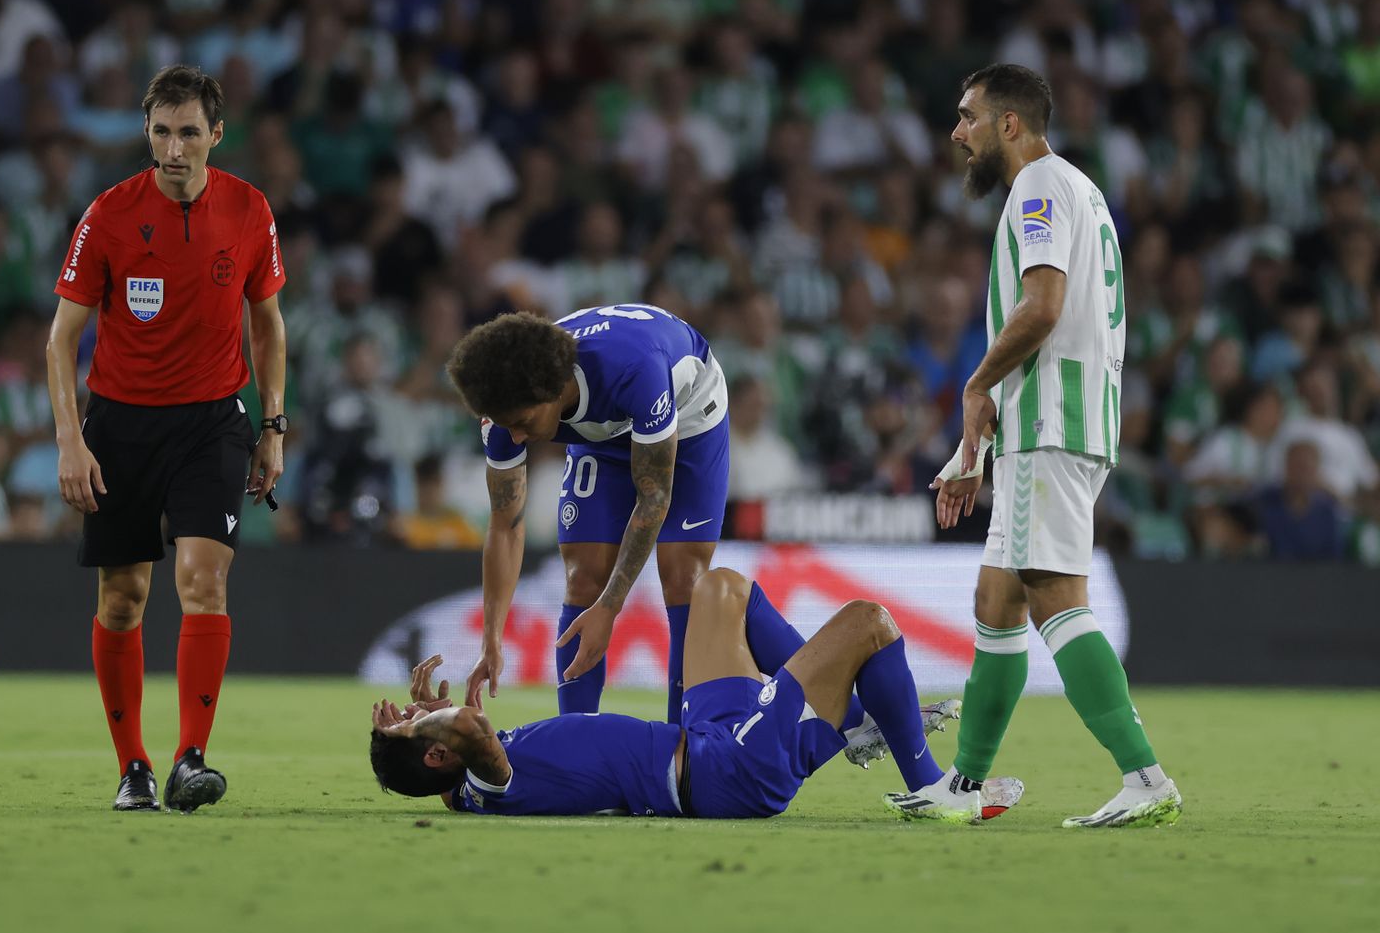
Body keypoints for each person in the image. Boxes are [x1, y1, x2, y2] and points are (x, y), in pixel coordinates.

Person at [905, 64, 1182, 828]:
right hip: (1059, 420)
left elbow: (1043, 306)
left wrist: (976, 385)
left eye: (968, 117)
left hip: (1051, 425)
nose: (957, 133)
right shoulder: (1079, 190)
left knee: (1055, 592)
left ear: (1011, 125)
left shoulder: (1037, 188)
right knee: (997, 598)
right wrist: (982, 439)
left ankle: (1145, 776)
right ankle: (966, 786)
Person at [46, 65, 288, 813]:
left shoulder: (250, 211)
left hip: (213, 420)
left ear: (217, 134)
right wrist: (69, 441)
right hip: (119, 425)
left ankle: (191, 759)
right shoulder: (109, 215)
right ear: (146, 134)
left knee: (203, 583)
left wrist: (273, 423)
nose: (174, 148)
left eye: (188, 132)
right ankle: (134, 768)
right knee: (123, 598)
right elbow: (60, 343)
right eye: (161, 132)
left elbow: (268, 324)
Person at [369, 568, 1019, 821]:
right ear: (435, 755)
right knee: (869, 624)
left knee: (721, 589)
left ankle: (848, 721)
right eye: (417, 722)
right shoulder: (484, 783)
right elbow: (475, 735)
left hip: (703, 738)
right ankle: (933, 789)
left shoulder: (477, 783)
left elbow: (470, 732)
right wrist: (432, 724)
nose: (422, 709)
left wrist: (426, 723)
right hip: (724, 772)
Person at [448, 304, 752, 724]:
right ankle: (572, 743)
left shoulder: (634, 370)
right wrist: (491, 639)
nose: (515, 436)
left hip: (688, 413)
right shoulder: (505, 410)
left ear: (553, 392)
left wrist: (611, 607)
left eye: (521, 422)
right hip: (602, 430)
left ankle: (683, 748)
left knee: (684, 578)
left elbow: (653, 498)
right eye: (506, 425)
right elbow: (505, 526)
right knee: (582, 576)